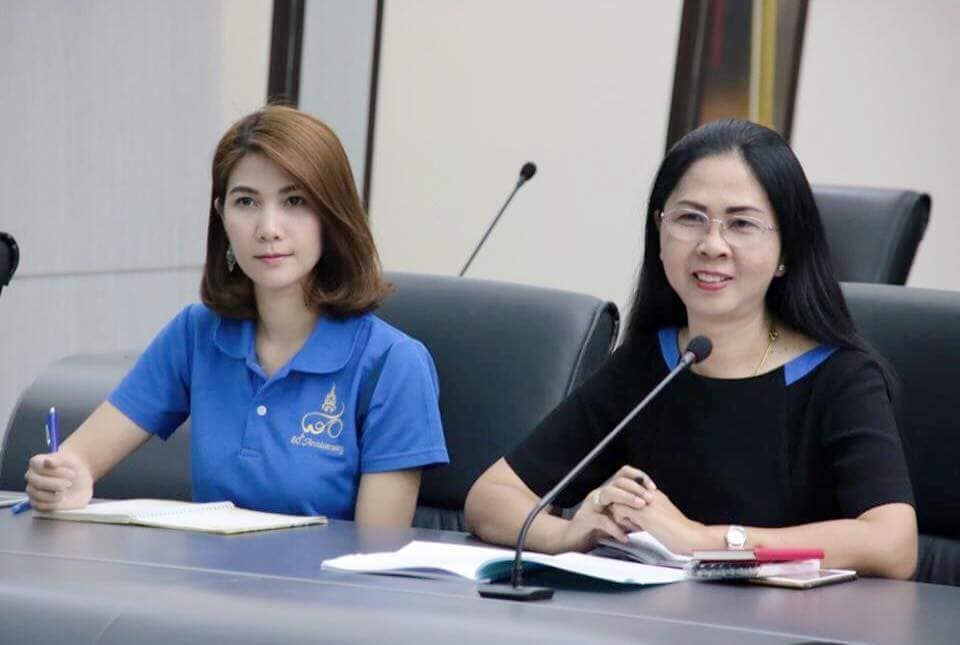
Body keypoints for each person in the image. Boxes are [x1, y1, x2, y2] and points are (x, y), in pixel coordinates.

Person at [465, 119, 917, 579]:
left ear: (786, 251)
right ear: (659, 232)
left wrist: (705, 540)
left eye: (741, 224)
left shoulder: (837, 376)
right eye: (689, 218)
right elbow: (491, 496)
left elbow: (894, 544)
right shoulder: (652, 365)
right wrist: (568, 534)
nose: (712, 245)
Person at [24, 105, 448, 525]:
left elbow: (373, 553)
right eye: (246, 202)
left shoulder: (394, 364)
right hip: (205, 569)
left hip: (322, 574)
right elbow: (79, 459)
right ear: (221, 216)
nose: (268, 228)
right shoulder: (196, 333)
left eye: (294, 201)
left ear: (331, 216)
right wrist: (63, 476)